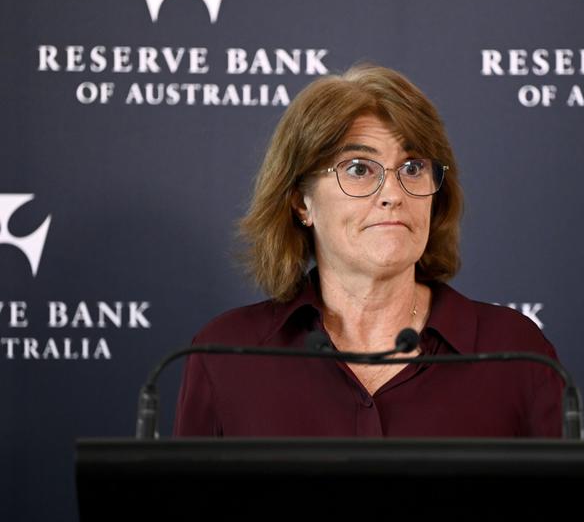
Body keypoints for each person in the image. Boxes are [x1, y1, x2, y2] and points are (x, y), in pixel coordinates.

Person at [173, 64, 563, 438]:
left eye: (413, 167)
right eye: (359, 169)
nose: (393, 194)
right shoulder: (229, 356)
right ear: (300, 201)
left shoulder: (515, 352)